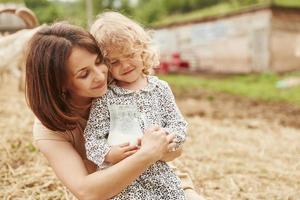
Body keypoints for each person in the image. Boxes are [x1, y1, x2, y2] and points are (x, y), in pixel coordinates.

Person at [25, 22, 180, 200]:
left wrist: (164, 145)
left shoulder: (124, 86)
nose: (100, 76)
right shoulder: (48, 130)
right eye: (84, 74)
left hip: (164, 184)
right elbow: (87, 192)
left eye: (100, 62)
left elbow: (176, 150)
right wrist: (147, 154)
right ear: (59, 84)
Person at [90, 11, 205, 200]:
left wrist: (165, 140)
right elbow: (93, 137)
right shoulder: (106, 97)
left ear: (142, 49)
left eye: (129, 54)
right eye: (114, 61)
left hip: (159, 174)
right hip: (123, 176)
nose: (125, 64)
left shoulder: (160, 89)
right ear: (104, 65)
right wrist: (110, 153)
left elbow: (178, 124)